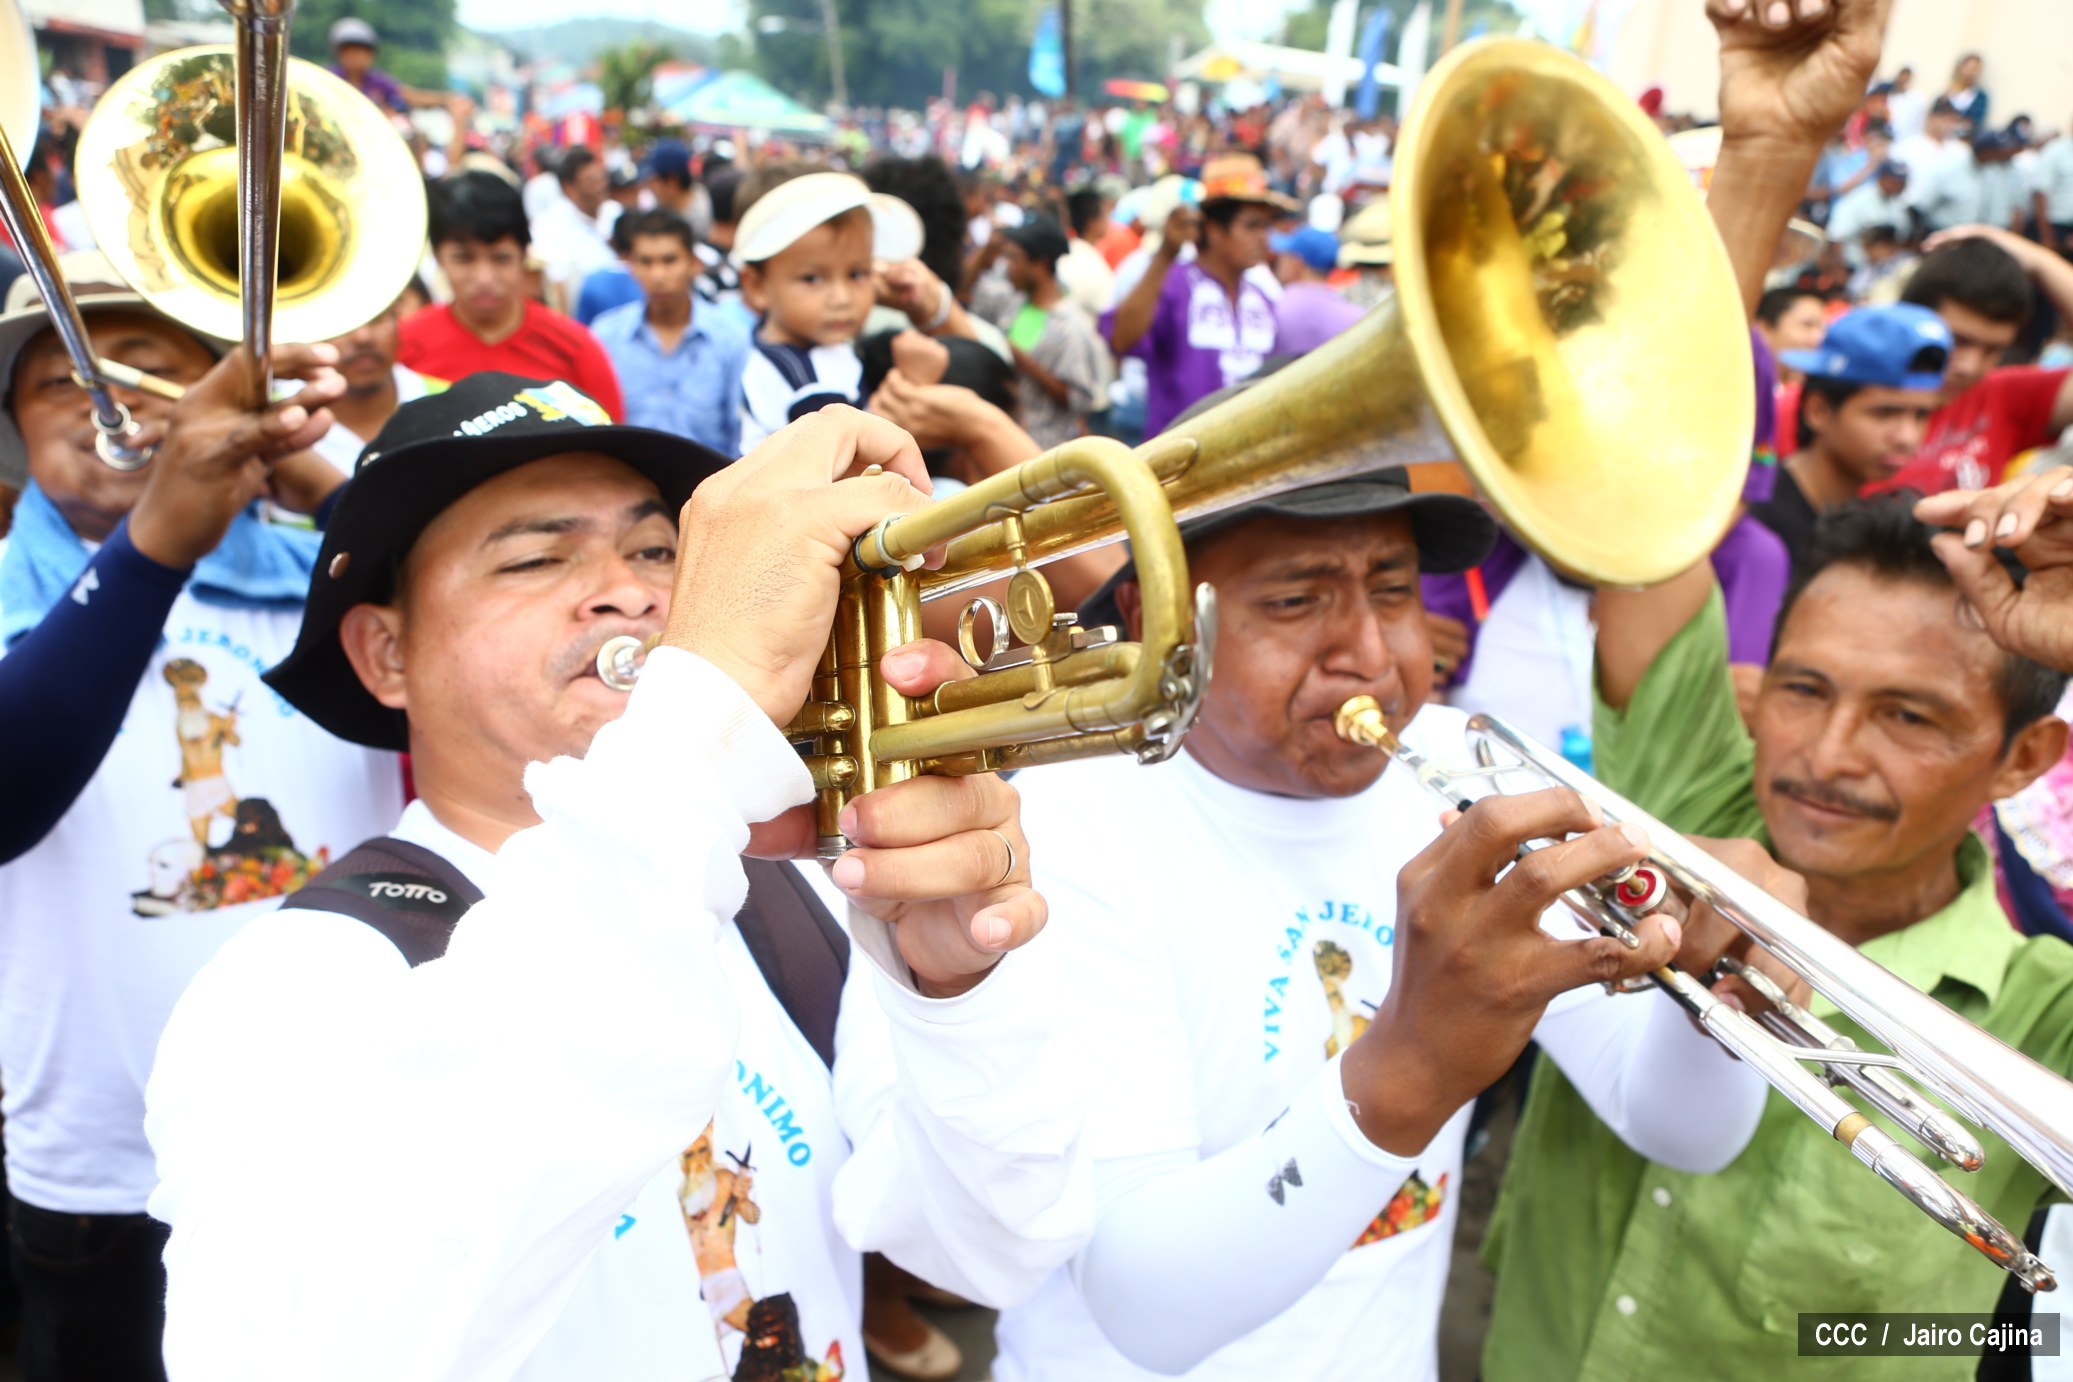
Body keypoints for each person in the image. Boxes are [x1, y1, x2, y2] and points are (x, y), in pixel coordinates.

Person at [146, 383, 1088, 1379]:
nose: (630, 593)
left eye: (657, 552)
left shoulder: (789, 888)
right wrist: (696, 729)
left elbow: (993, 1252)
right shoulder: (291, 976)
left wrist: (956, 998)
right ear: (387, 654)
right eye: (535, 558)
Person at [988, 460, 1788, 1381]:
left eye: (1393, 589)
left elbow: (1682, 1131)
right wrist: (1415, 1063)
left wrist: (1714, 994)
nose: (1368, 653)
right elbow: (1142, 1307)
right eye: (1295, 601)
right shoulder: (1066, 826)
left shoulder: (1465, 767)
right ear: (1151, 616)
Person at [1482, 488, 2073, 1380]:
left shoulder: (2047, 1014)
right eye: (1803, 689)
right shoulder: (1682, 805)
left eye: (1908, 716)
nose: (1826, 756)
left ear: (2022, 758)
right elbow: (1628, 486)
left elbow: (2018, 1338)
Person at [0, 256, 404, 1381]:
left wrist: (315, 469)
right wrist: (155, 544)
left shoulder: (341, 582)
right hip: (103, 1174)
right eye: (61, 380)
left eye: (151, 372)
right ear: (14, 429)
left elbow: (467, 583)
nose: (107, 402)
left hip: (359, 1136)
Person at [399, 171, 624, 421]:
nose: (484, 278)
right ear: (438, 256)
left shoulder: (576, 350)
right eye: (464, 258)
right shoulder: (401, 349)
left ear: (524, 255)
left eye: (501, 258)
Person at [1751, 304, 1952, 571]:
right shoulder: (1755, 517)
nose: (1907, 436)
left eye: (1921, 415)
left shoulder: (1862, 523)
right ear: (1818, 411)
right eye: (1884, 413)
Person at [1105, 153, 1290, 436]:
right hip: (1176, 458)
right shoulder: (1173, 285)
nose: (1264, 238)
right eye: (1252, 226)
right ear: (1214, 231)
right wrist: (1165, 254)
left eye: (1266, 226)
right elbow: (1121, 339)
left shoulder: (1262, 299)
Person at [1879, 227, 2073, 494]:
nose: (1969, 367)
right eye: (1957, 340)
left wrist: (2039, 262)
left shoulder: (2003, 398)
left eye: (1993, 350)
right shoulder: (1845, 399)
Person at [736, 172, 916, 451]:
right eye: (812, 279)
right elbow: (857, 461)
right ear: (757, 285)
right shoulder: (809, 385)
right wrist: (914, 381)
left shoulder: (772, 341)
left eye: (857, 274)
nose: (841, 299)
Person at [590, 208, 753, 456]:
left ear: (694, 264)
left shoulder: (731, 338)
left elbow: (739, 432)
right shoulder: (606, 336)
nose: (658, 275)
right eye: (646, 262)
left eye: (669, 260)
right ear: (631, 266)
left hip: (712, 476)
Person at [971, 215, 1108, 451]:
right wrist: (988, 249)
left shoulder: (1071, 327)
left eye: (1015, 259)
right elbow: (966, 291)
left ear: (1041, 264)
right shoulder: (1010, 303)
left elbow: (1079, 399)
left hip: (1043, 449)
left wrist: (1021, 360)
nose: (1008, 268)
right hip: (1004, 440)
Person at [307, 292, 441, 476]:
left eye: (377, 317)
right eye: (340, 320)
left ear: (397, 319)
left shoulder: (447, 398)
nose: (363, 337)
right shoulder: (278, 413)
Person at [531, 147, 621, 315]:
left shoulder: (615, 212)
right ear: (568, 187)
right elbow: (556, 284)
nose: (600, 186)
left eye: (601, 178)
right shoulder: (549, 225)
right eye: (591, 181)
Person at [1268, 224, 1363, 356]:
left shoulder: (1272, 307)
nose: (1278, 262)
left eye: (1284, 256)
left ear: (1296, 263)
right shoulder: (1358, 317)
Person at [1824, 158, 1910, 264]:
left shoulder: (1900, 205)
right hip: (1853, 264)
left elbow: (1901, 240)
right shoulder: (1858, 199)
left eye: (1902, 181)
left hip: (1885, 267)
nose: (1899, 184)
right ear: (1882, 178)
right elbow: (1836, 238)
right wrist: (1840, 269)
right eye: (1894, 180)